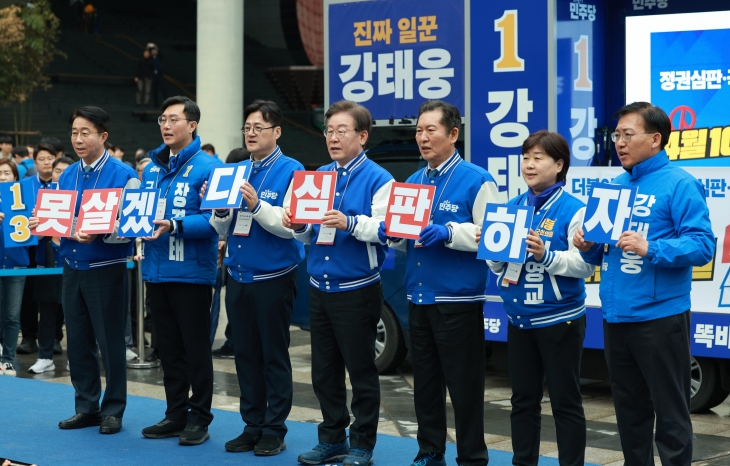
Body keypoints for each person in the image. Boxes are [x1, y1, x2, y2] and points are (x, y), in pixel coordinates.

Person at [573, 102, 715, 466]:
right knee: (630, 416)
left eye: (627, 135)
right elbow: (598, 258)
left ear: (655, 139)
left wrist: (652, 248)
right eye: (616, 135)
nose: (619, 142)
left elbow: (702, 245)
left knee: (671, 415)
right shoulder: (612, 187)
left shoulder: (679, 183)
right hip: (617, 317)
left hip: (660, 318)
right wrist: (588, 247)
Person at [379, 100, 495, 466]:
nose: (423, 138)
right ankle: (430, 451)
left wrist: (449, 232)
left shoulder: (478, 179)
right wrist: (390, 233)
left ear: (454, 134)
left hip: (458, 300)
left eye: (431, 130)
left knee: (464, 386)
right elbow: (404, 237)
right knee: (425, 383)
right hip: (419, 295)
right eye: (418, 130)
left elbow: (493, 235)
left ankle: (472, 457)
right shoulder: (413, 181)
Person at [283, 100, 394, 466]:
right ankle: (332, 438)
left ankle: (362, 444)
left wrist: (349, 222)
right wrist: (298, 226)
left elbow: (387, 233)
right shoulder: (318, 178)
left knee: (362, 371)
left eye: (341, 131)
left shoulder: (380, 179)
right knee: (324, 371)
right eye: (329, 131)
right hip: (320, 287)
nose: (333, 137)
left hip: (358, 289)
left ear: (362, 136)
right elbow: (309, 235)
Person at [485, 131, 594, 466]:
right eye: (526, 157)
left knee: (565, 401)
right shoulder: (511, 207)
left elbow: (585, 266)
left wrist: (547, 255)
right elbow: (495, 262)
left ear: (559, 165)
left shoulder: (575, 209)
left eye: (539, 158)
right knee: (523, 400)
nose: (529, 165)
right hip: (519, 319)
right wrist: (494, 251)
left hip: (560, 319)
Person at [29, 106, 140, 434]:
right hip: (72, 266)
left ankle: (113, 409)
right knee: (77, 341)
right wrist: (46, 224)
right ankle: (86, 405)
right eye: (74, 132)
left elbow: (132, 227)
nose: (78, 139)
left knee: (109, 342)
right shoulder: (68, 175)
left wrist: (103, 232)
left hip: (106, 267)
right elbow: (64, 223)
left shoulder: (124, 175)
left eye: (85, 132)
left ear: (103, 136)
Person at [207, 100, 304, 456]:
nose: (250, 133)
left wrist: (257, 205)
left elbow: (291, 227)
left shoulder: (293, 170)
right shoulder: (236, 169)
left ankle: (274, 428)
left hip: (274, 276)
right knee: (245, 353)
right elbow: (220, 226)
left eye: (258, 127)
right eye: (247, 127)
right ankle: (252, 424)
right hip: (238, 273)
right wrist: (219, 208)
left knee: (272, 354)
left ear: (276, 132)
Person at [140, 96, 219, 446]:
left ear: (192, 125)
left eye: (174, 119)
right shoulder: (153, 168)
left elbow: (214, 222)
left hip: (191, 273)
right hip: (156, 271)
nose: (166, 126)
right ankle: (175, 414)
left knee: (195, 349)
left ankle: (199, 418)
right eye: (163, 119)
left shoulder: (209, 167)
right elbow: (140, 211)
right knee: (167, 348)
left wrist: (175, 224)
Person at [25, 144, 67, 374]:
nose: (57, 172)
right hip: (47, 257)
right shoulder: (42, 194)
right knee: (47, 309)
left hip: (73, 258)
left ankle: (75, 357)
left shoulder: (80, 195)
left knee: (74, 312)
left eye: (62, 169)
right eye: (57, 170)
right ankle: (45, 356)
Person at [0, 159, 29, 377]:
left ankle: (7, 359)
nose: (2, 176)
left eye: (7, 173)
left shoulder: (23, 200)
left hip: (17, 263)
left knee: (12, 315)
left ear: (15, 177)